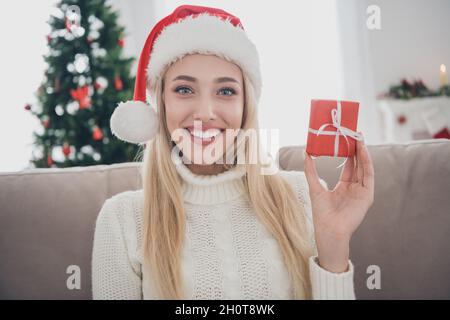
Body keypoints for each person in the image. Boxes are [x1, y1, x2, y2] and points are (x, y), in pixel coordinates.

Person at [92, 4, 374, 300]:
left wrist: (334, 244)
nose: (205, 112)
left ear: (245, 106)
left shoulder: (302, 197)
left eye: (225, 91)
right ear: (160, 104)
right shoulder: (123, 219)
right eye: (184, 90)